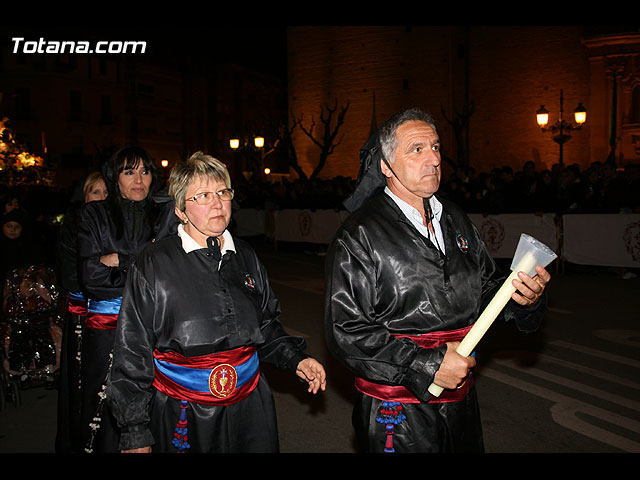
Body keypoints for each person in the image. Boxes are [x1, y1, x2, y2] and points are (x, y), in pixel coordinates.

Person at [324, 108, 551, 453]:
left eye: (435, 147)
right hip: (398, 412)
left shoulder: (456, 219)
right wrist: (426, 364)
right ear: (386, 166)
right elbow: (346, 331)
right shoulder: (359, 234)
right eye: (417, 149)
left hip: (460, 400)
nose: (432, 158)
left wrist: (522, 298)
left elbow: (487, 287)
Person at [107, 151, 326, 453]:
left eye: (223, 192)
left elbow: (267, 324)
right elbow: (132, 347)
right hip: (184, 411)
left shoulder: (246, 255)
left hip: (250, 405)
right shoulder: (154, 262)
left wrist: (295, 359)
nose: (217, 202)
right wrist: (134, 431)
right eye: (204, 195)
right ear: (181, 211)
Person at [77, 147, 177, 453]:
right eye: (129, 171)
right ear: (114, 177)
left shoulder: (164, 215)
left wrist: (120, 260)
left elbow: (170, 272)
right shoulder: (94, 214)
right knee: (103, 409)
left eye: (145, 172)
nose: (138, 180)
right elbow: (92, 279)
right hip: (107, 329)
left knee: (155, 404)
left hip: (155, 329)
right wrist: (142, 267)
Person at [55, 172, 108, 453]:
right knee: (84, 383)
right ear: (84, 196)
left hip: (112, 317)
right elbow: (76, 275)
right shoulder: (72, 225)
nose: (101, 198)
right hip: (83, 315)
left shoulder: (114, 222)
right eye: (95, 192)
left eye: (106, 192)